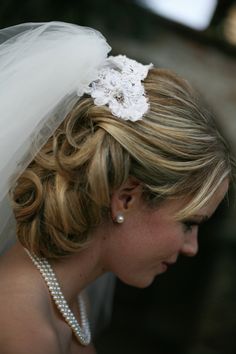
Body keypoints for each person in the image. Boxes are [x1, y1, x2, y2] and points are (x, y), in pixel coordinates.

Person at [0, 21, 234, 354]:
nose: (191, 247)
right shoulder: (24, 335)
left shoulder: (67, 300)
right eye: (189, 224)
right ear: (126, 199)